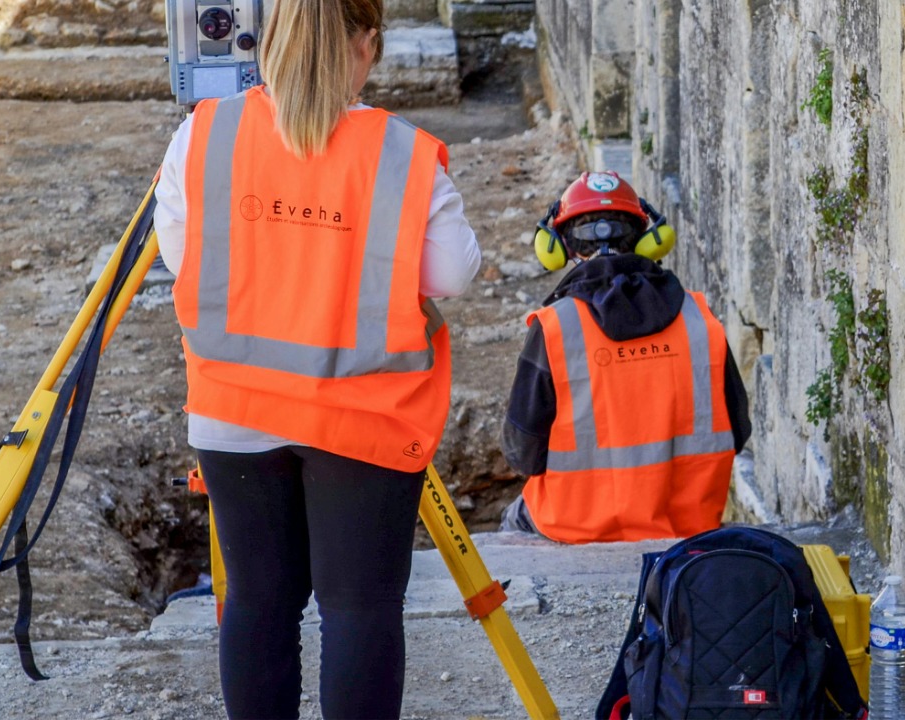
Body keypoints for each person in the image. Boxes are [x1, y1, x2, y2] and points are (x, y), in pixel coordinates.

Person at [152, 1, 480, 717]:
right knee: (358, 609)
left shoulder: (202, 134)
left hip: (232, 408)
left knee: (259, 602)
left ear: (267, 40)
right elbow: (452, 274)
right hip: (362, 418)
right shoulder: (399, 151)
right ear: (365, 46)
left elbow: (182, 257)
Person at [499, 171, 750, 544]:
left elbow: (522, 454)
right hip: (689, 526)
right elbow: (739, 432)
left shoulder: (556, 328)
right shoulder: (699, 320)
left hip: (574, 527)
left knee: (512, 525)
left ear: (560, 245)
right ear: (648, 241)